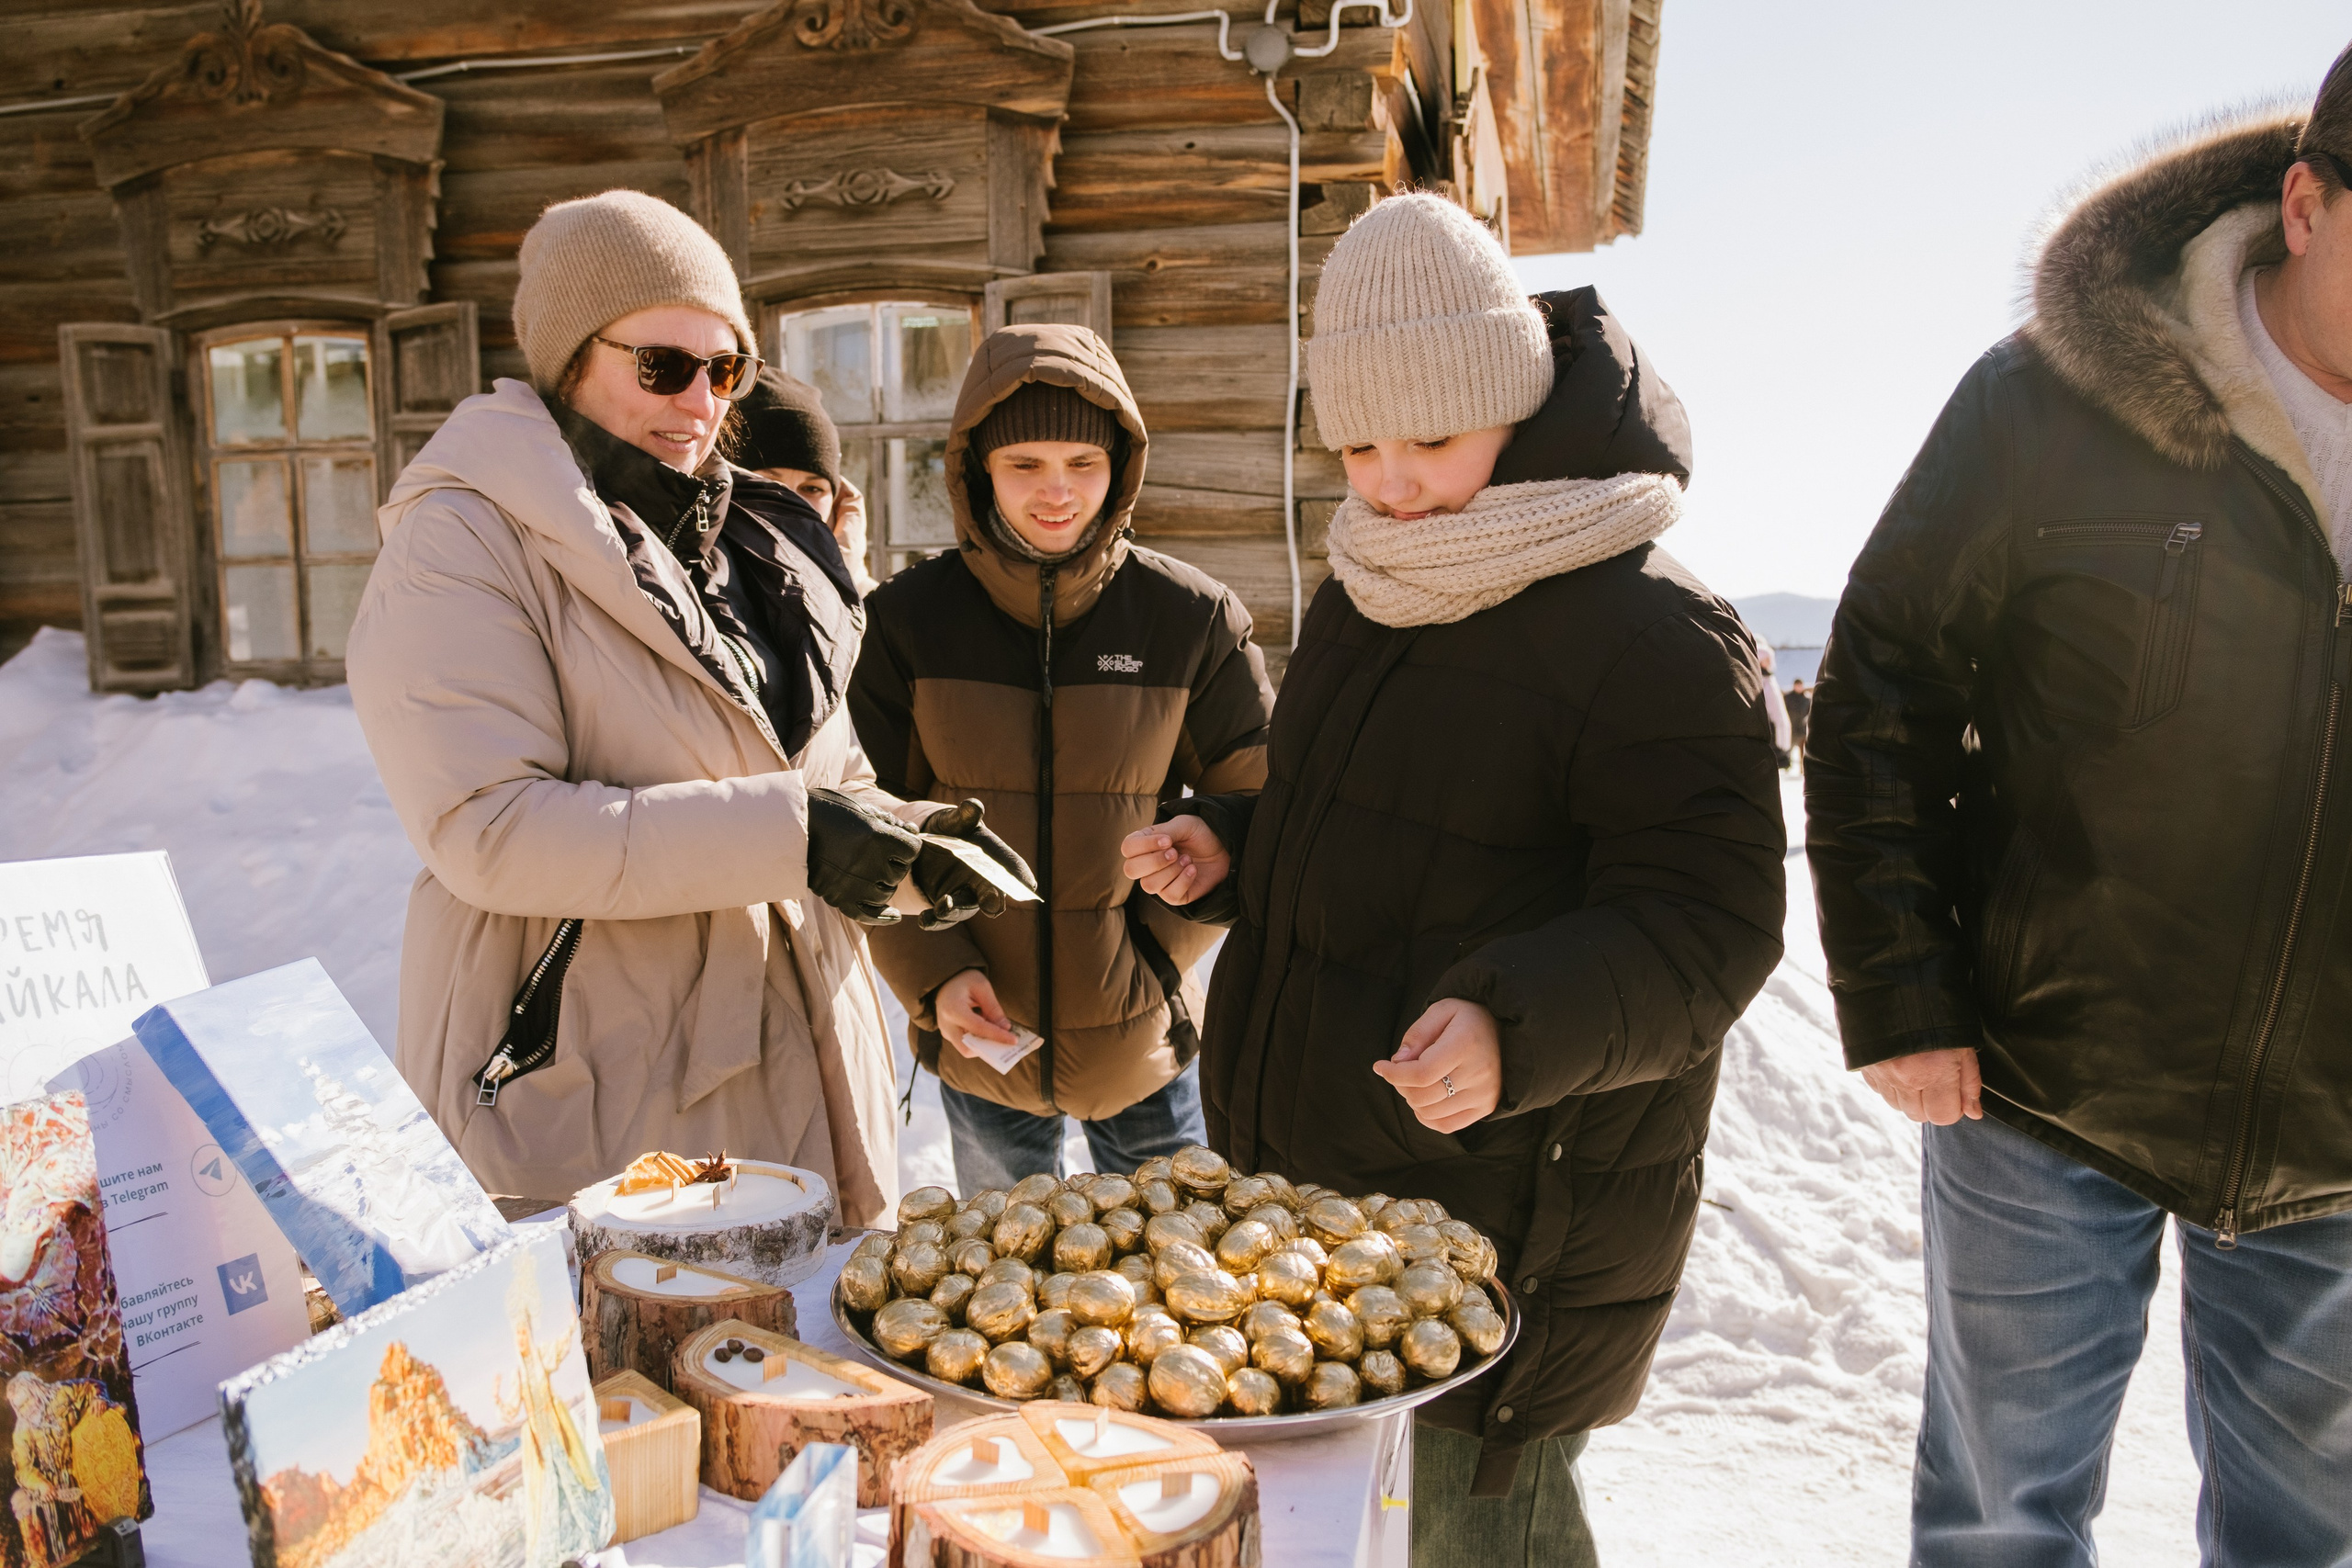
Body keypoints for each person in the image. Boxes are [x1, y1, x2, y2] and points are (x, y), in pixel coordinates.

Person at [1122, 195, 1784, 1563]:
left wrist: (1511, 1024)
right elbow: (1355, 815)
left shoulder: (1656, 628)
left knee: (1483, 1535)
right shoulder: (1378, 586)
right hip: (1314, 1194)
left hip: (1497, 1220)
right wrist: (1233, 848)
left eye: (1432, 437)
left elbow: (1708, 927)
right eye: (1358, 444)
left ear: (1516, 404)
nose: (1393, 479)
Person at [1805, 55, 2352, 1564]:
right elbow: (1881, 685)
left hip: (2337, 1133)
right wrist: (1901, 988)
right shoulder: (2055, 398)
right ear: (2303, 205)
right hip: (2041, 1084)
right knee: (2001, 1519)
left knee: (2310, 1538)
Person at [345, 190, 1025, 1218]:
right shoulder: (464, 538)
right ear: (570, 359)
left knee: (799, 1367)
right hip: (598, 1078)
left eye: (725, 370)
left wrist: (906, 851)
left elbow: (820, 781)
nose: (700, 402)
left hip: (799, 1060)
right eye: (660, 366)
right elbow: (485, 828)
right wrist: (799, 836)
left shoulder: (756, 539)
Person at [850, 324, 1275, 1190]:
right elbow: (862, 818)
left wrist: (1153, 962)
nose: (1057, 493)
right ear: (976, 470)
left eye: (1084, 463)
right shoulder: (906, 623)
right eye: (1025, 466)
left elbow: (1261, 806)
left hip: (1142, 1046)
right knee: (997, 1292)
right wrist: (936, 978)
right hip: (981, 1036)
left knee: (1174, 1286)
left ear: (1122, 463)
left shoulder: (1191, 621)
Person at [735, 367, 878, 593]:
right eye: (770, 485)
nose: (793, 503)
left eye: (812, 488)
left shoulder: (877, 610)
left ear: (835, 499)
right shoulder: (697, 590)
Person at [1756, 639, 1792, 767]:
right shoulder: (1761, 681)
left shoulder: (1769, 679)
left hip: (1774, 727)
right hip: (1768, 727)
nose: (1770, 663)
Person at [1783, 676, 1811, 766]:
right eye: (1797, 685)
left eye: (1800, 685)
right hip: (1791, 727)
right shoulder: (1788, 698)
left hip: (1802, 727)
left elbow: (1810, 712)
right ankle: (1787, 765)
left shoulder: (1807, 699)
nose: (1799, 687)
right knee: (1788, 748)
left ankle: (1802, 768)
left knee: (1803, 750)